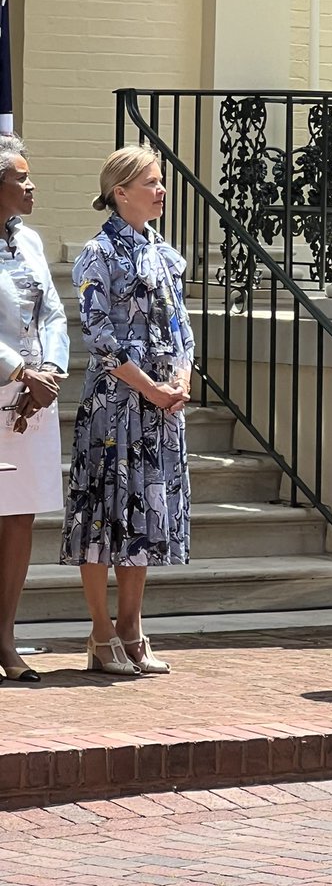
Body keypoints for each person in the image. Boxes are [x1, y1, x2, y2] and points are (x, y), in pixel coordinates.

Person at [60, 146, 193, 676]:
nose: (162, 191)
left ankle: (132, 630)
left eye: (161, 182)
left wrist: (181, 375)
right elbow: (100, 337)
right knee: (102, 516)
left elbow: (181, 324)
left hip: (162, 405)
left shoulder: (163, 251)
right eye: (152, 183)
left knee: (144, 516)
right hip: (115, 405)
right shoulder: (98, 253)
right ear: (121, 192)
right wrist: (150, 388)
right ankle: (99, 634)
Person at [0, 135, 69, 683]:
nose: (30, 185)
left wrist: (52, 372)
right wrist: (19, 370)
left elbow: (53, 315)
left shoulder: (32, 242)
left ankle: (5, 636)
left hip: (34, 398)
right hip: (8, 382)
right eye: (20, 177)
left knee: (20, 515)